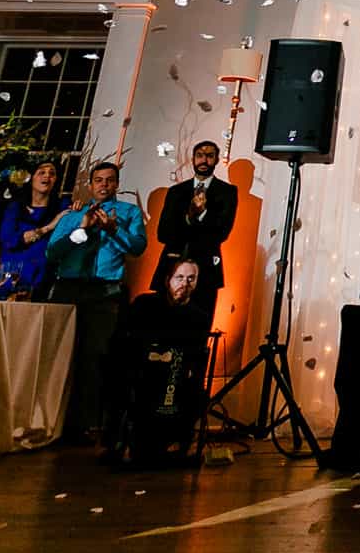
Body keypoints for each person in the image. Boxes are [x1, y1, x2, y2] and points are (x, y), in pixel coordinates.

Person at [46, 161, 148, 443]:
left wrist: (114, 230)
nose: (104, 185)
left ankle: (86, 424)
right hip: (67, 288)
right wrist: (80, 229)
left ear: (117, 184)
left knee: (96, 356)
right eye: (99, 180)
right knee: (60, 354)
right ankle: (53, 420)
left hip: (105, 291)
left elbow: (138, 248)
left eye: (109, 180)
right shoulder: (72, 216)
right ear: (90, 185)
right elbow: (52, 254)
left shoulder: (128, 213)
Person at [105, 257, 209, 467]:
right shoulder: (145, 305)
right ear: (168, 279)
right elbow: (125, 341)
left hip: (174, 376)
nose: (184, 284)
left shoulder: (198, 316)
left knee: (193, 392)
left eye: (191, 278)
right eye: (179, 277)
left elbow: (195, 356)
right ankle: (123, 441)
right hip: (142, 372)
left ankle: (176, 444)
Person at [152, 139, 238, 322]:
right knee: (161, 323)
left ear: (216, 160)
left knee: (199, 325)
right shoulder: (176, 191)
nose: (204, 161)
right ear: (193, 159)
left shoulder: (227, 192)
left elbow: (222, 232)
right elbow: (163, 233)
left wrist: (203, 213)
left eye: (209, 156)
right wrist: (189, 216)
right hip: (171, 265)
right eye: (199, 156)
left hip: (206, 268)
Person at [0, 159, 66, 294]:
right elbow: (8, 240)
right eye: (42, 172)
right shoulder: (15, 207)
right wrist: (48, 227)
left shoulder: (62, 207)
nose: (47, 176)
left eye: (52, 174)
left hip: (44, 276)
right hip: (13, 273)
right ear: (31, 178)